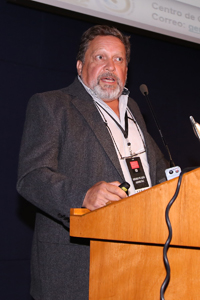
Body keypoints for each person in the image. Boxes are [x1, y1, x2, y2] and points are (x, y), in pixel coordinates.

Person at [17, 25, 168, 300]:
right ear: (80, 66)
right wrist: (83, 195)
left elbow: (157, 176)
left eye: (119, 59)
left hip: (142, 263)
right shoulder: (53, 105)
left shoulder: (134, 110)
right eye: (100, 57)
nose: (111, 67)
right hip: (79, 270)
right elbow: (32, 177)